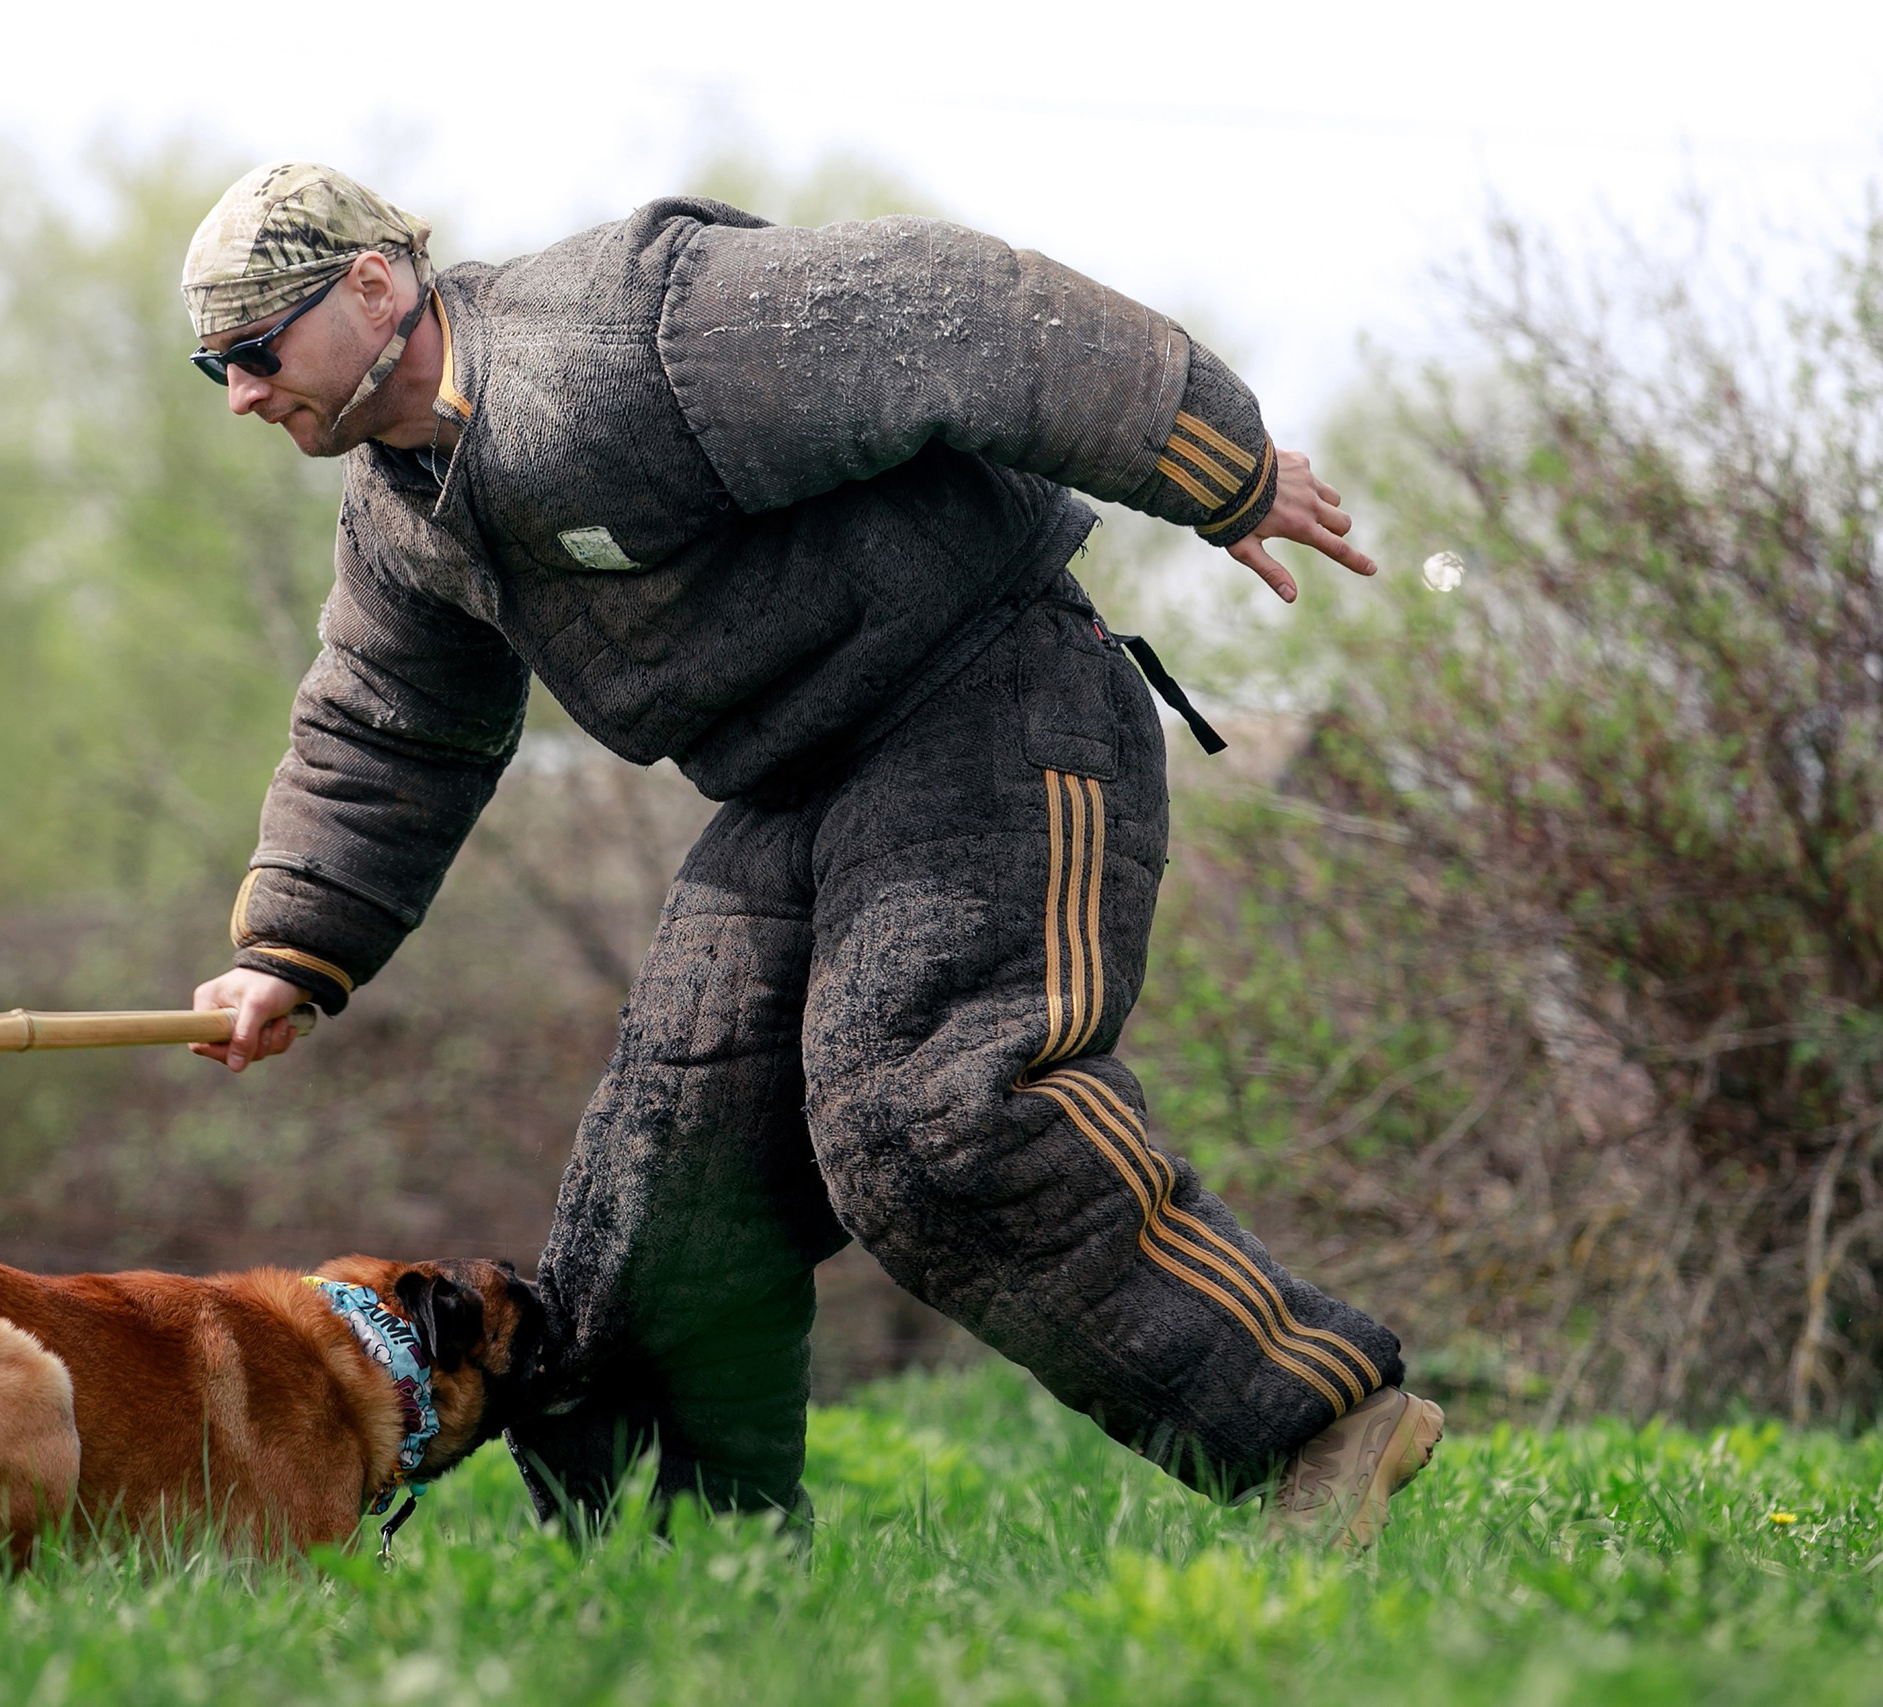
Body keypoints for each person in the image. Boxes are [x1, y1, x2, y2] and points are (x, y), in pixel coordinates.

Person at [181, 162, 1442, 1548]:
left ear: (374, 284)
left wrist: (1225, 469)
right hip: (792, 793)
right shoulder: (400, 514)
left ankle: (1317, 1425)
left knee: (932, 1118)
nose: (241, 394)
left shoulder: (633, 334)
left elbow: (967, 314)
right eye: (214, 368)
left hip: (991, 705)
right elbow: (386, 729)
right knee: (656, 1205)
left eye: (256, 348)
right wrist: (288, 952)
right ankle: (691, 1577)